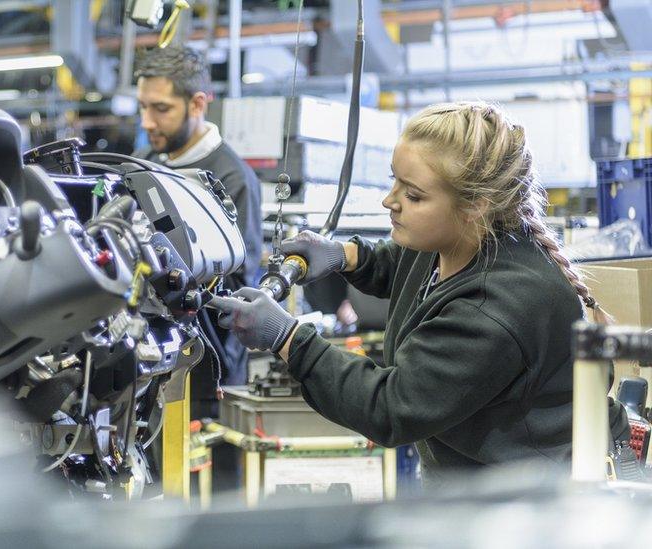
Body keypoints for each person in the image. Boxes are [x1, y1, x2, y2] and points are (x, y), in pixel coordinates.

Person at [209, 101, 629, 485]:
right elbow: (404, 268)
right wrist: (345, 256)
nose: (390, 201)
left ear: (475, 205)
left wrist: (288, 339)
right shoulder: (458, 241)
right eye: (395, 182)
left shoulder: (497, 306)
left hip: (543, 497)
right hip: (482, 483)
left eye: (413, 194)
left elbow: (391, 407)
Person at [132, 46, 263, 396]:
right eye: (143, 107)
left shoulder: (232, 179)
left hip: (207, 371)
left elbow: (239, 287)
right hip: (147, 364)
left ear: (197, 104)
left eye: (161, 109)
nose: (147, 121)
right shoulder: (141, 165)